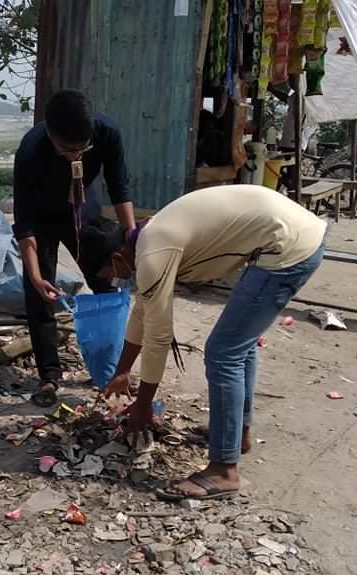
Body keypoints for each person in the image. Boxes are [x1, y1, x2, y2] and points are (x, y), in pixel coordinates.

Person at [101, 185, 326, 500]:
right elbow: (143, 310)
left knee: (224, 353)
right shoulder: (148, 237)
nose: (113, 280)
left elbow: (159, 337)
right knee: (238, 346)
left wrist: (143, 406)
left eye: (108, 274)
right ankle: (237, 434)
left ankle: (223, 471)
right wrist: (123, 371)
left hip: (287, 246)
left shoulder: (152, 254)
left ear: (117, 257)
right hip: (290, 233)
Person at [13, 89, 137, 407]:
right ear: (50, 134)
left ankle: (109, 370)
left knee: (104, 285)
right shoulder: (31, 150)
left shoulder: (107, 133)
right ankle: (49, 377)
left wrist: (131, 238)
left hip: (83, 213)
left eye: (83, 149)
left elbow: (119, 187)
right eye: (67, 150)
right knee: (39, 296)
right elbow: (24, 224)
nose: (75, 157)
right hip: (41, 218)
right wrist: (36, 275)